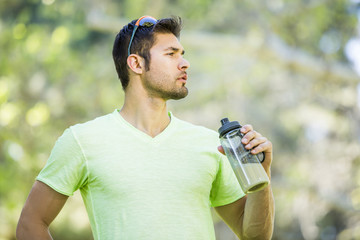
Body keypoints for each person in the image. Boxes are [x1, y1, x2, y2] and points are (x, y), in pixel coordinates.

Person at [16, 16, 275, 240]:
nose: (184, 63)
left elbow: (254, 235)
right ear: (136, 64)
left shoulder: (210, 144)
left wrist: (262, 177)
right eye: (171, 54)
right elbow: (30, 224)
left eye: (182, 55)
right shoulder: (82, 140)